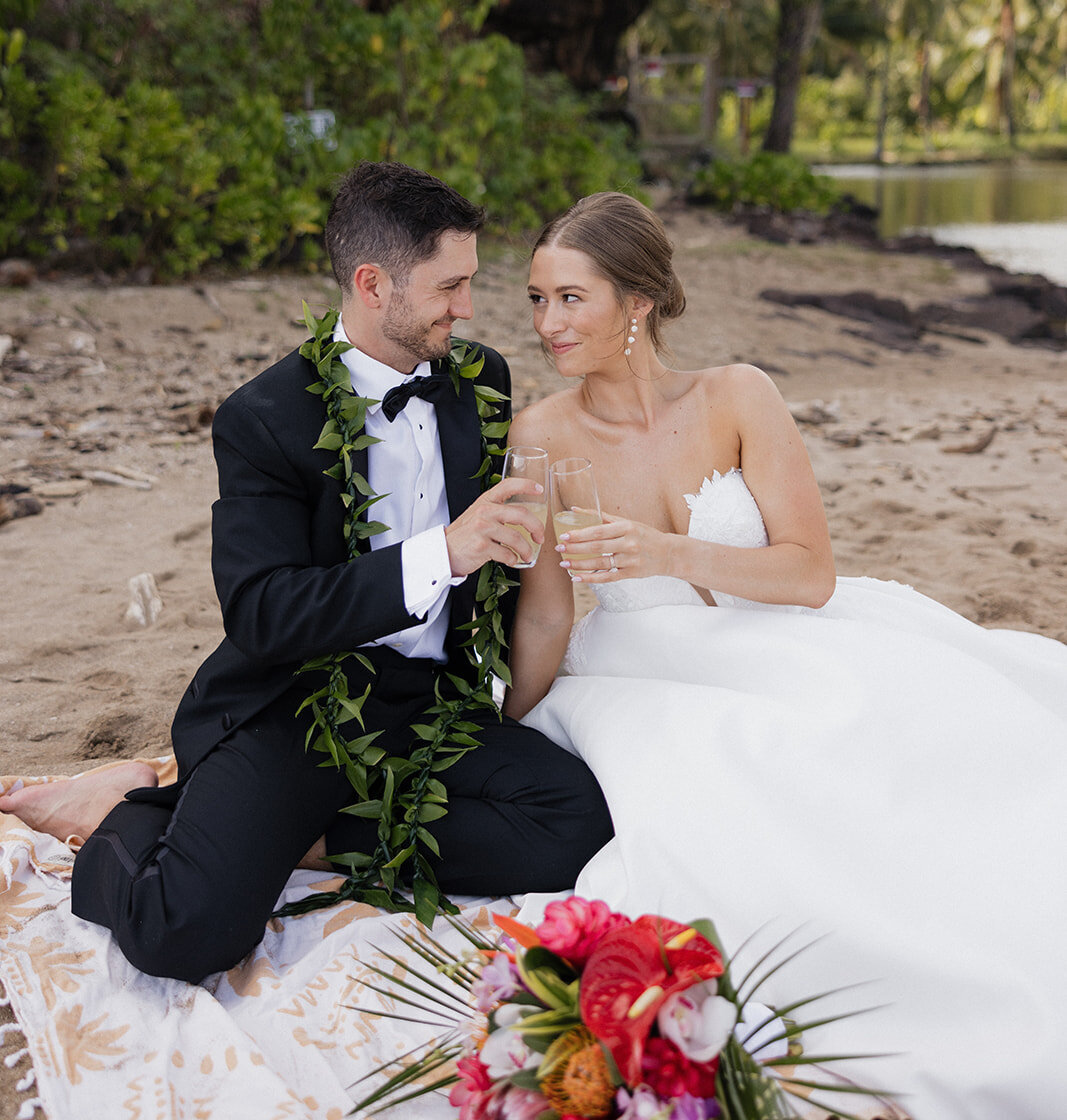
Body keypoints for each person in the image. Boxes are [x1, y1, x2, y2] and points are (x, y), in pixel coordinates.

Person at [504, 191, 1067, 1120]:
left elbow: (809, 574)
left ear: (636, 301)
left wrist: (667, 553)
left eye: (570, 298)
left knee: (939, 743)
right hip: (650, 669)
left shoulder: (736, 394)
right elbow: (544, 618)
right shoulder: (540, 433)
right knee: (737, 795)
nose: (546, 322)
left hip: (783, 631)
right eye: (536, 299)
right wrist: (504, 722)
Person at [0, 162, 612, 983]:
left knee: (574, 825)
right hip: (299, 703)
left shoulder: (480, 381)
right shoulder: (265, 416)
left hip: (431, 702)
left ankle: (312, 837)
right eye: (448, 286)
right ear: (372, 283)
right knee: (183, 937)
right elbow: (262, 612)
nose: (467, 307)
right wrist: (445, 552)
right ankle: (126, 803)